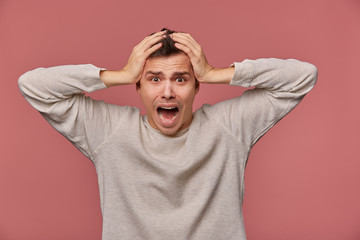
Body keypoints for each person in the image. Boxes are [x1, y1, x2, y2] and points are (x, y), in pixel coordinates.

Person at [18, 28, 318, 240]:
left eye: (181, 79)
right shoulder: (110, 131)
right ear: (139, 86)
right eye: (154, 79)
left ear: (196, 85)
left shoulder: (228, 126)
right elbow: (32, 85)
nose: (168, 91)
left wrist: (214, 72)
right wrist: (120, 74)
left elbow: (304, 76)